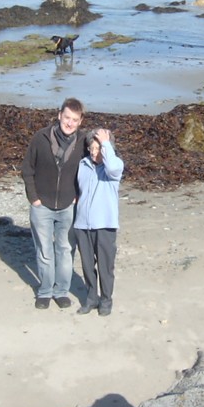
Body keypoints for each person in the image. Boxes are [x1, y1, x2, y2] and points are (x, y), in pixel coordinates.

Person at [21, 97, 86, 310]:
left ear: (80, 121)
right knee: (44, 251)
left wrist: (78, 195)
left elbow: (94, 168)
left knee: (65, 250)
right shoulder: (41, 138)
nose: (69, 123)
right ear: (59, 116)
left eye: (74, 120)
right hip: (42, 206)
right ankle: (45, 292)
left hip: (68, 206)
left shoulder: (83, 142)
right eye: (67, 117)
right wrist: (34, 198)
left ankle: (61, 291)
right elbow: (27, 169)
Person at [74, 128, 124, 317]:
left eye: (98, 148)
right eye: (91, 148)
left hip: (105, 225)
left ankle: (106, 300)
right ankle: (91, 298)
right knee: (87, 266)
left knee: (105, 266)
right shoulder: (83, 164)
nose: (94, 153)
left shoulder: (114, 166)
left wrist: (105, 144)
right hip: (82, 224)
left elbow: (113, 168)